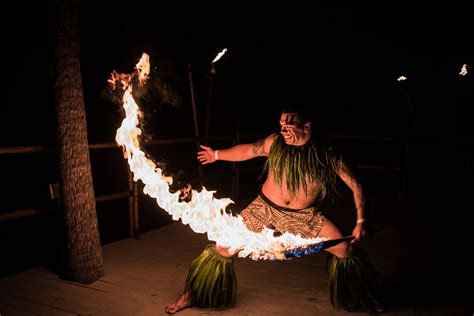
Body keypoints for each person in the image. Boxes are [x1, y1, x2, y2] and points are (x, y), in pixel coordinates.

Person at [165, 106, 383, 314]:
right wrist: (217, 155)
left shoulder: (327, 156)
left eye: (289, 124)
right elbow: (250, 150)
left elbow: (356, 184)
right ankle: (194, 294)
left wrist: (361, 220)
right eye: (281, 123)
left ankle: (363, 298)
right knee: (223, 248)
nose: (283, 129)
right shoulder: (275, 143)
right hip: (264, 209)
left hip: (304, 217)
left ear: (306, 127)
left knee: (345, 249)